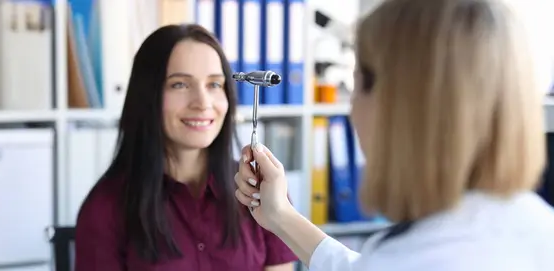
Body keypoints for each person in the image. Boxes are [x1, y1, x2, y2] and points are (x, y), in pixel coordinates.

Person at [234, 0, 554, 270]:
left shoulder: (405, 258)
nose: (351, 109)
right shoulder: (539, 228)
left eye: (355, 84)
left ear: (396, 108)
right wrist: (280, 216)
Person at [75, 24, 297, 271]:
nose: (202, 103)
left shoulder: (260, 191)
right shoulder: (104, 209)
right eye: (180, 84)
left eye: (214, 85)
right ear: (147, 95)